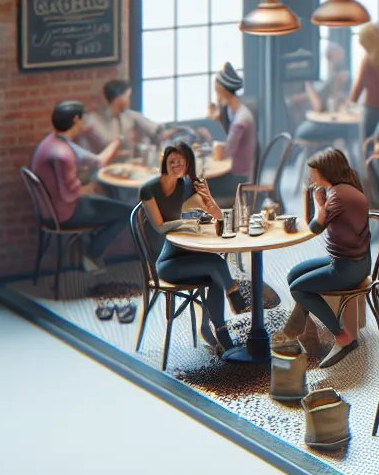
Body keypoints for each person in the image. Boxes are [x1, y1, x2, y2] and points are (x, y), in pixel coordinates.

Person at [136, 143, 236, 352]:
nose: (176, 166)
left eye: (181, 162)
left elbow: (218, 217)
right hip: (168, 264)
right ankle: (237, 298)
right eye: (172, 161)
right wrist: (185, 223)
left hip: (192, 257)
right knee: (216, 264)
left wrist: (208, 198)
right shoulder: (149, 189)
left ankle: (217, 333)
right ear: (165, 161)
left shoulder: (188, 186)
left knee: (216, 275)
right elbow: (160, 227)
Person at [290, 148, 373, 369]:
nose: (310, 176)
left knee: (298, 289)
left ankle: (341, 336)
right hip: (350, 260)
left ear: (325, 172)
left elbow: (315, 226)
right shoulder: (343, 189)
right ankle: (304, 333)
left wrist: (319, 203)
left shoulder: (339, 195)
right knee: (294, 274)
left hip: (348, 268)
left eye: (313, 172)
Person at [30, 100, 132, 274]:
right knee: (127, 213)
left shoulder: (54, 141)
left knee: (105, 202)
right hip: (64, 212)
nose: (85, 123)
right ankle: (92, 255)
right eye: (83, 120)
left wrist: (116, 141)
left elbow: (97, 162)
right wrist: (88, 185)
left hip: (51, 207)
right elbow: (70, 195)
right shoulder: (63, 154)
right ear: (76, 119)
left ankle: (91, 250)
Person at [207, 63, 257, 204]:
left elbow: (226, 152)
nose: (216, 96)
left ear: (225, 91)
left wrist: (215, 125)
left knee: (195, 187)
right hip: (234, 173)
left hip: (239, 179)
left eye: (217, 91)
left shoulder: (241, 120)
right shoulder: (232, 112)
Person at [293, 43, 353, 144]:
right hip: (328, 118)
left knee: (301, 132)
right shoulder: (333, 76)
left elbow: (322, 104)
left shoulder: (340, 76)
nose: (341, 58)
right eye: (337, 55)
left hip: (335, 121)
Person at [80, 79, 159, 154]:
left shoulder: (129, 116)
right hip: (102, 165)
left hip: (126, 164)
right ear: (118, 98)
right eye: (127, 97)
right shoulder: (92, 121)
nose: (129, 101)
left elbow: (156, 131)